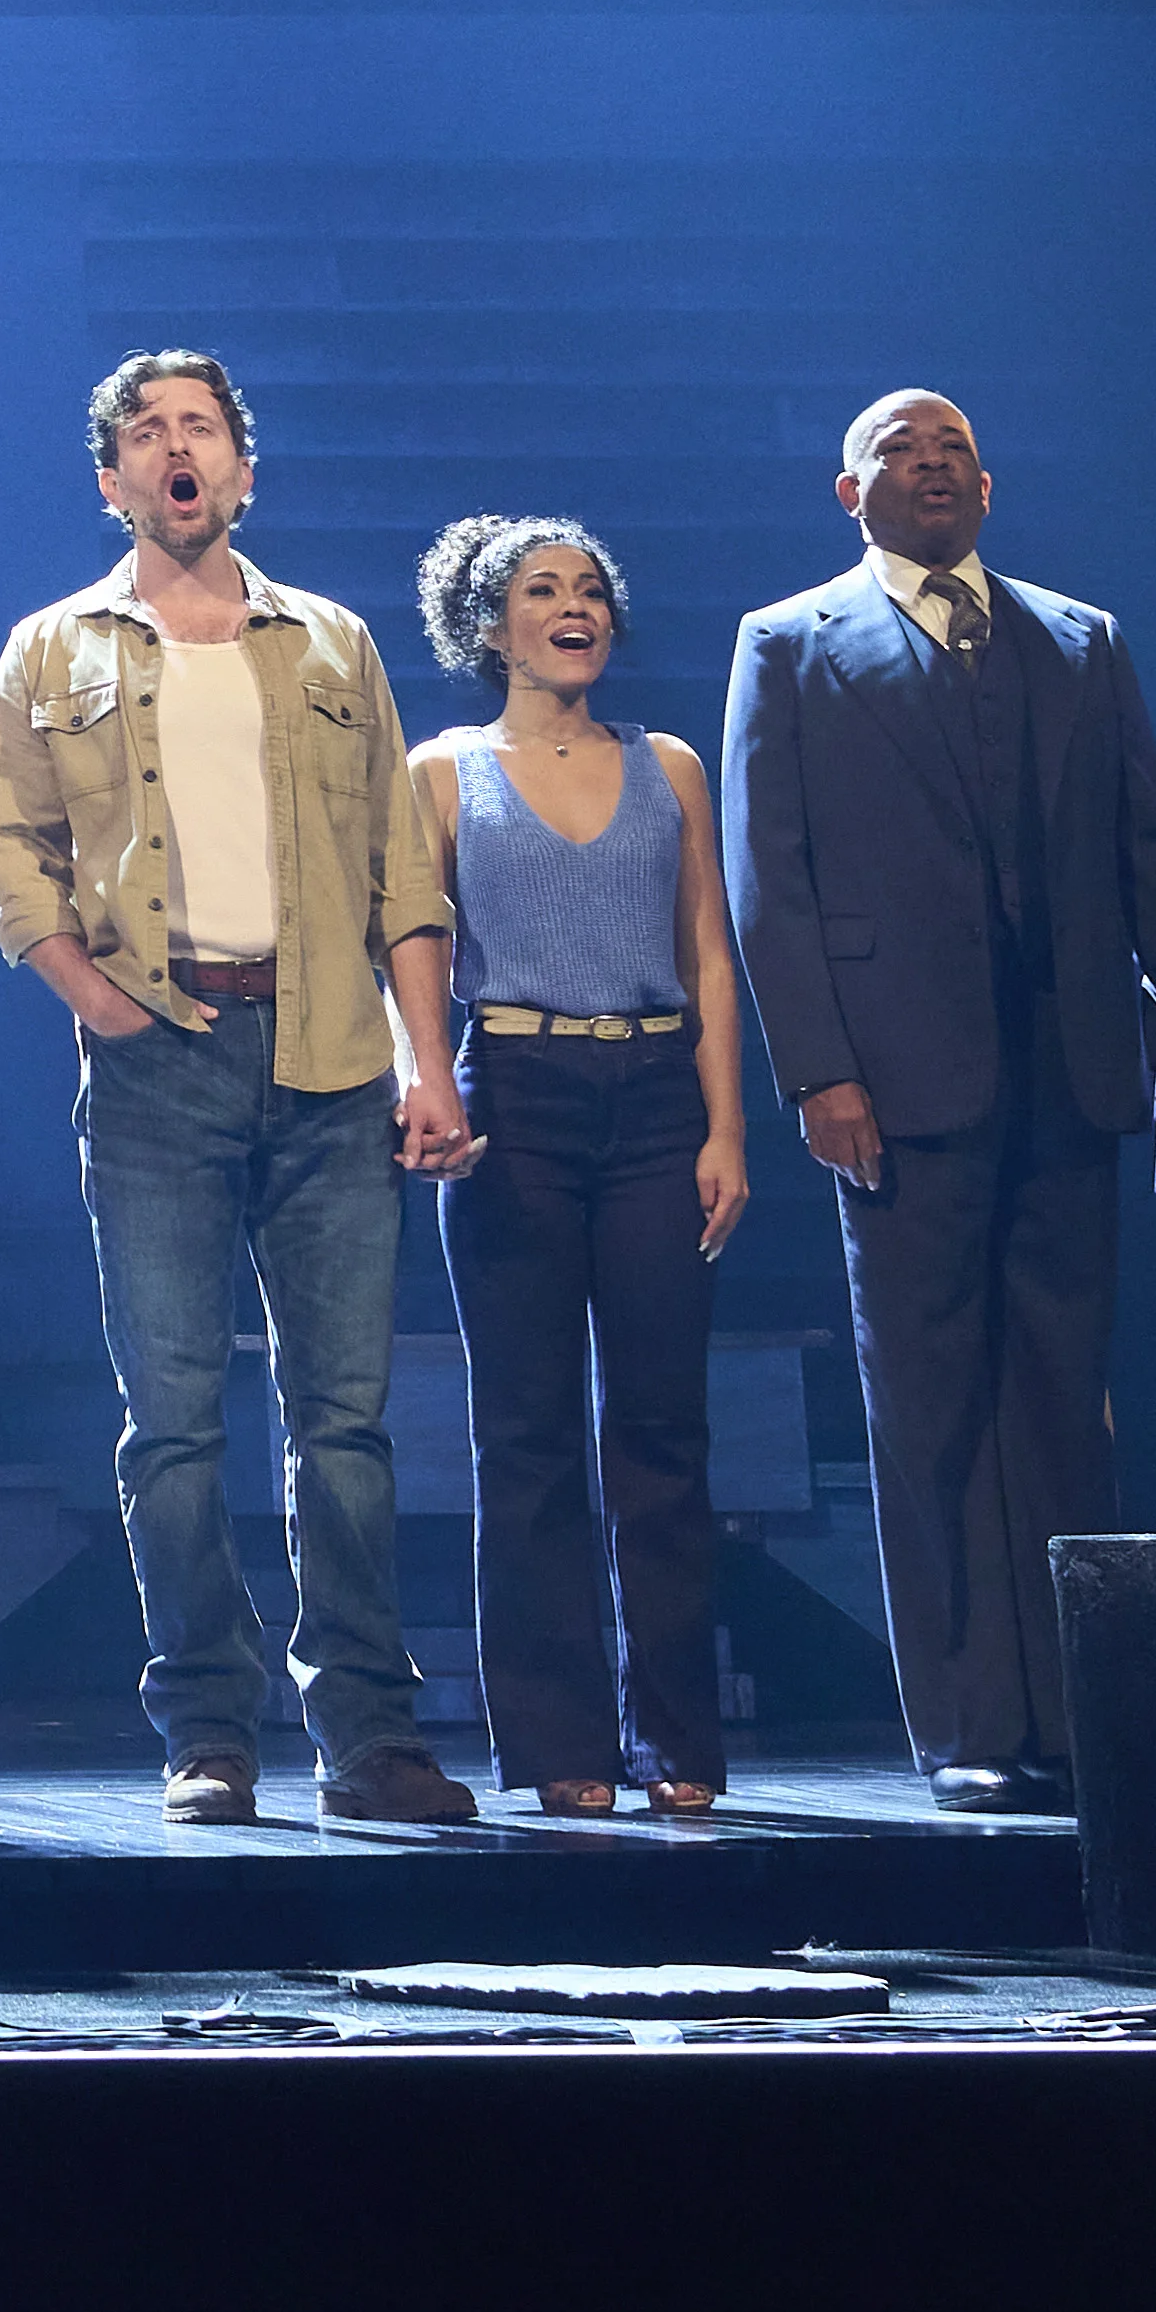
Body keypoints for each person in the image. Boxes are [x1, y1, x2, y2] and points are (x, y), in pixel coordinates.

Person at [0, 347, 473, 1828]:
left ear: (245, 468)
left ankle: (370, 1733)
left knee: (348, 1421)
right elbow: (12, 850)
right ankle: (209, 1729)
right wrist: (97, 1002)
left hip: (328, 1060)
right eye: (147, 430)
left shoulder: (330, 642)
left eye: (202, 426)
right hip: (158, 1062)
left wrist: (426, 1054)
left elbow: (403, 864)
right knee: (174, 1419)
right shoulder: (51, 647)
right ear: (112, 477)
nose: (176, 446)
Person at [723, 386, 1156, 1806]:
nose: (931, 462)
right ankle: (966, 1721)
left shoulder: (1078, 637)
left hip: (1067, 1067)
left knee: (1066, 1391)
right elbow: (773, 880)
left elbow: (1152, 849)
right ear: (851, 491)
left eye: (953, 447)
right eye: (901, 446)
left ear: (990, 486)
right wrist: (820, 1066)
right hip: (896, 1076)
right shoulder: (789, 642)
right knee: (931, 1395)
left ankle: (1082, 1708)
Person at [410, 513, 744, 1821]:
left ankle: (681, 1735)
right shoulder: (446, 768)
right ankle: (562, 1738)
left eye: (591, 586)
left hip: (659, 1091)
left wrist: (726, 1125)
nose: (574, 604)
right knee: (529, 1431)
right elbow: (418, 943)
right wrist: (424, 1075)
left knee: (662, 1424)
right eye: (542, 588)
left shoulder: (670, 762)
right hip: (518, 1093)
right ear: (489, 625)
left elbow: (710, 947)